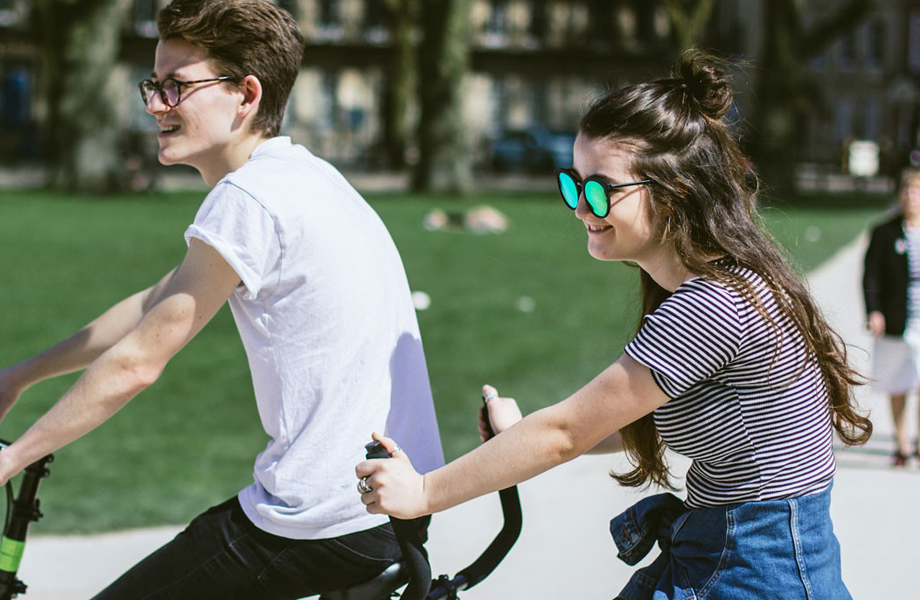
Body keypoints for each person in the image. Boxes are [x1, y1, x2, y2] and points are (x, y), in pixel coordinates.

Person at [0, 1, 444, 598]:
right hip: (383, 505)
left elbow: (139, 362)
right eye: (153, 85)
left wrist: (3, 463)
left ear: (245, 95)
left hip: (322, 518)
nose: (155, 106)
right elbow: (159, 302)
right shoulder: (304, 176)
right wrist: (16, 378)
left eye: (177, 88)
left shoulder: (250, 197)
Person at [356, 50, 872, 600]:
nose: (581, 207)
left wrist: (424, 491)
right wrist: (516, 437)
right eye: (573, 184)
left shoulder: (713, 306)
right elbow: (623, 420)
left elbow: (565, 432)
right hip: (736, 549)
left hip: (757, 568)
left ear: (673, 193)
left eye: (600, 188)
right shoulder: (718, 285)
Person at [862, 167, 920, 467]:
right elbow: (871, 274)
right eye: (906, 190)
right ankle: (901, 445)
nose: (910, 196)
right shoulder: (885, 232)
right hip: (899, 321)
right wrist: (874, 310)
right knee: (899, 384)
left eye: (916, 191)